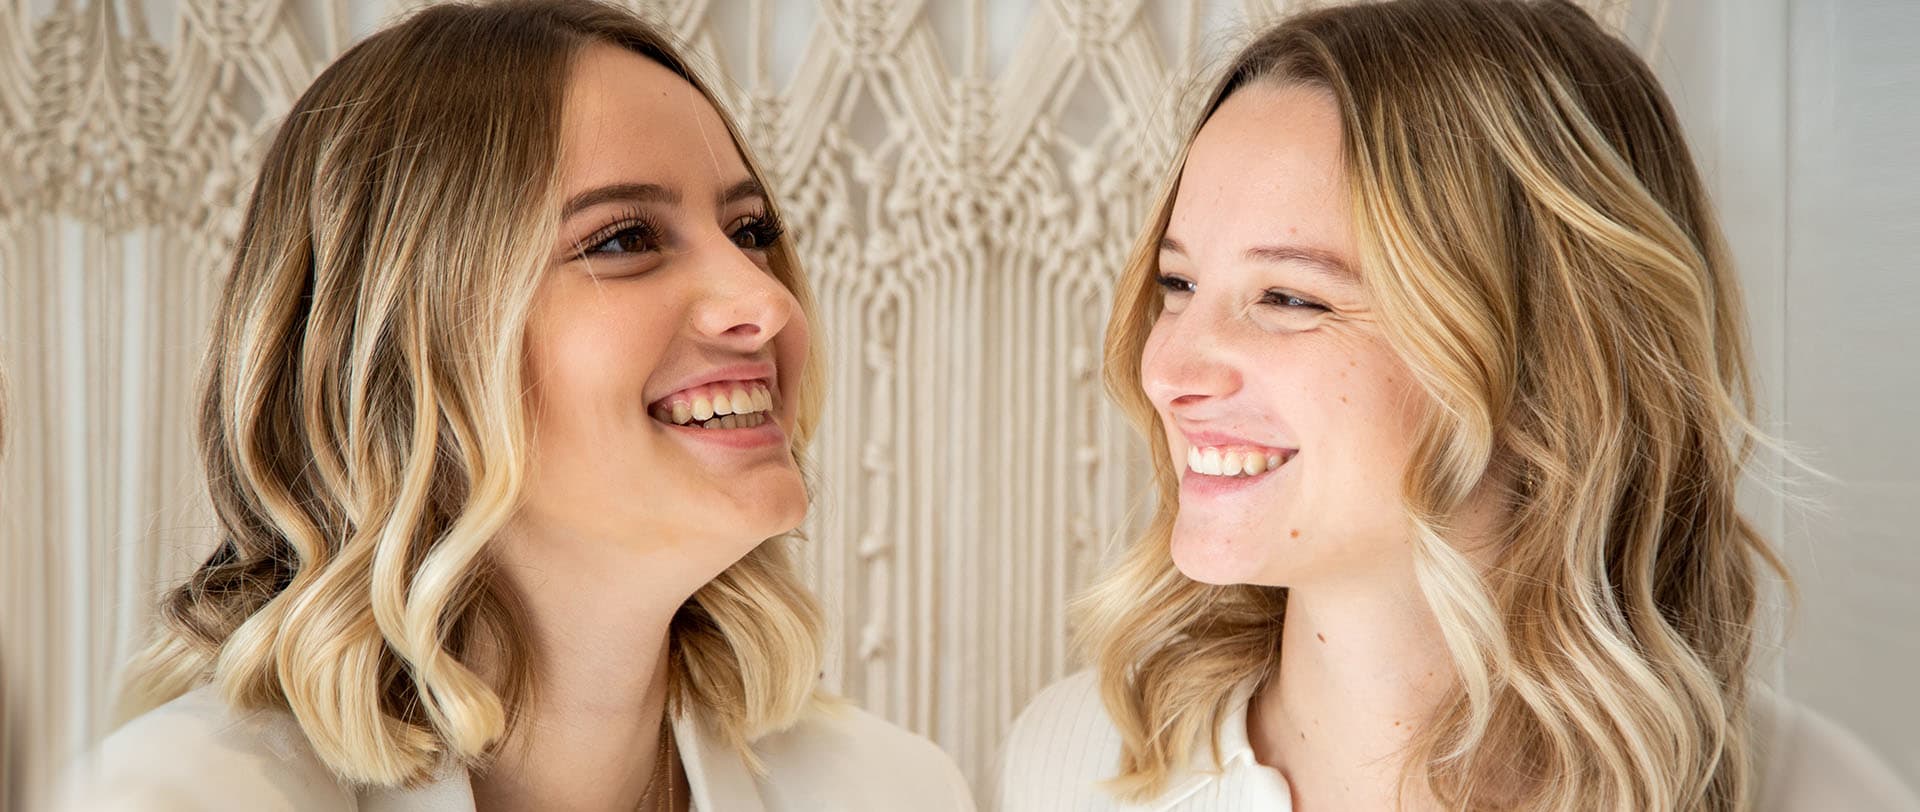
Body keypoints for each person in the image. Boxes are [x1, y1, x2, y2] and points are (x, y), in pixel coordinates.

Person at [998, 1, 1918, 810]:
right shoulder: (1079, 764)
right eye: (1178, 282)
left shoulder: (1816, 795)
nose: (1170, 367)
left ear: (1548, 356)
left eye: (1291, 298)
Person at [62, 1, 973, 809]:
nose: (768, 302)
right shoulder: (173, 796)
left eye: (751, 231)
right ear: (400, 354)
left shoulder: (892, 788)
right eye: (624, 238)